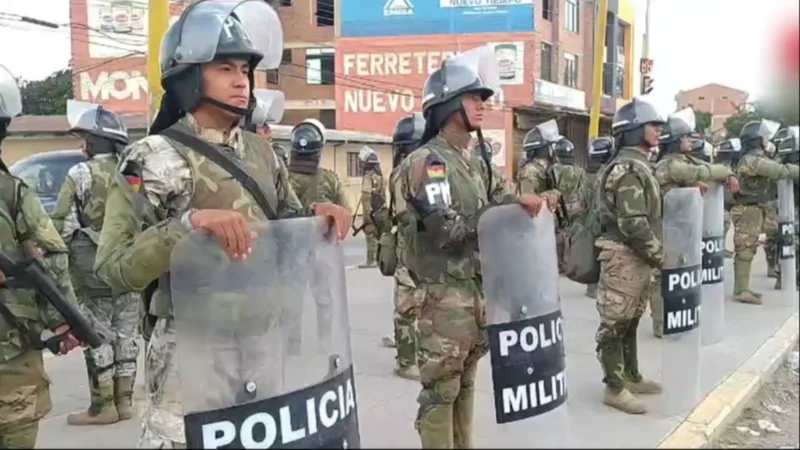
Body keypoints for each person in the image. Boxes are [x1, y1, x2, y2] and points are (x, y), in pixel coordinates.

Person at [91, 2, 352, 447]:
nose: (240, 81)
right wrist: (187, 226)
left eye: (246, 70)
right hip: (192, 352)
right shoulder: (152, 158)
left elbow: (285, 233)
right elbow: (112, 268)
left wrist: (319, 219)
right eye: (225, 68)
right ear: (189, 75)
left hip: (263, 342)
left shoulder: (263, 153)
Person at [396, 52, 556, 448]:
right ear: (448, 105)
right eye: (472, 98)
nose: (481, 104)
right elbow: (446, 232)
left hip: (477, 293)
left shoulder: (477, 160)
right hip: (442, 297)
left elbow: (508, 201)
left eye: (481, 98)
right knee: (441, 391)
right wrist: (506, 209)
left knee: (466, 382)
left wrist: (533, 202)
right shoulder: (428, 162)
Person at [0, 64, 82, 448]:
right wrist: (63, 321)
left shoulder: (11, 193)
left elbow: (46, 258)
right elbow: (51, 253)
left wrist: (64, 321)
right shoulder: (11, 192)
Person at [49, 100, 141, 425]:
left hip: (92, 272)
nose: (81, 145)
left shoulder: (81, 173)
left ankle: (102, 407)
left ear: (92, 142)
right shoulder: (132, 172)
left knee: (96, 332)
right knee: (127, 332)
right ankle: (125, 402)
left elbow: (61, 227)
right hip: (130, 267)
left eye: (83, 139)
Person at [595, 97, 665, 414]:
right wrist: (660, 255)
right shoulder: (627, 169)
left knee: (632, 319)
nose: (658, 131)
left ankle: (631, 375)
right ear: (636, 130)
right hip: (622, 255)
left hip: (634, 256)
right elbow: (633, 223)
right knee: (614, 322)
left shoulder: (639, 164)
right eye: (653, 125)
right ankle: (614, 386)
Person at [649, 108, 739, 338]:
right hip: (665, 229)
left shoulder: (677, 162)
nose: (690, 141)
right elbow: (705, 170)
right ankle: (661, 323)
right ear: (676, 141)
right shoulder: (671, 164)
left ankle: (674, 318)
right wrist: (728, 172)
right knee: (662, 276)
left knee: (676, 273)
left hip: (678, 229)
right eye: (686, 137)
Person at [285, 118, 350, 353]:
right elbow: (346, 214)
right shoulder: (330, 179)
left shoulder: (281, 177)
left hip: (289, 252)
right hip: (321, 250)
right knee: (324, 299)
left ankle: (292, 347)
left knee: (292, 302)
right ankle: (325, 343)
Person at [731, 120, 799, 305]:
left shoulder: (756, 157)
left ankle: (745, 287)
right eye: (765, 137)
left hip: (757, 207)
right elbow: (780, 171)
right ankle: (741, 291)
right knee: (746, 248)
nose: (768, 140)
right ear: (757, 140)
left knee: (760, 241)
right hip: (748, 208)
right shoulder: (752, 160)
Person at [381, 113, 425, 380]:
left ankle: (413, 353)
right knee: (407, 306)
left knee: (416, 303)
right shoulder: (404, 173)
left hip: (416, 248)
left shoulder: (407, 170)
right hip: (410, 248)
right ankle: (406, 361)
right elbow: (403, 214)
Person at [549, 137, 587, 273]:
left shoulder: (552, 170)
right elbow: (582, 191)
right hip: (574, 207)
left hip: (557, 207)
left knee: (557, 234)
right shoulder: (580, 171)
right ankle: (570, 262)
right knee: (572, 235)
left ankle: (558, 263)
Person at [583, 136, 615, 299]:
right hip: (602, 219)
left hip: (590, 219)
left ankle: (592, 287)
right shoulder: (608, 173)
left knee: (594, 253)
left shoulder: (585, 175)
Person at [772, 126, 800, 289]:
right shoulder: (790, 166)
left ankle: (787, 276)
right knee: (791, 243)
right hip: (792, 209)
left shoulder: (782, 162)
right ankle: (786, 277)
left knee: (788, 242)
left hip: (789, 208)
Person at [515, 119, 561, 199]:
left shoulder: (546, 169)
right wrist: (551, 194)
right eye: (552, 146)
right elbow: (528, 202)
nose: (554, 150)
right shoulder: (529, 172)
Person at [358, 146, 385, 268]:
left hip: (372, 210)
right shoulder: (380, 177)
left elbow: (366, 196)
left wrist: (366, 215)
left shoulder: (368, 177)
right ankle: (381, 259)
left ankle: (371, 260)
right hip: (381, 210)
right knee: (381, 235)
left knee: (370, 234)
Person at [715, 138, 742, 258]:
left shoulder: (734, 165)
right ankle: (719, 248)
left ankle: (720, 247)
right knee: (724, 221)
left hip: (727, 201)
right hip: (721, 201)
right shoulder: (724, 166)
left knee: (725, 222)